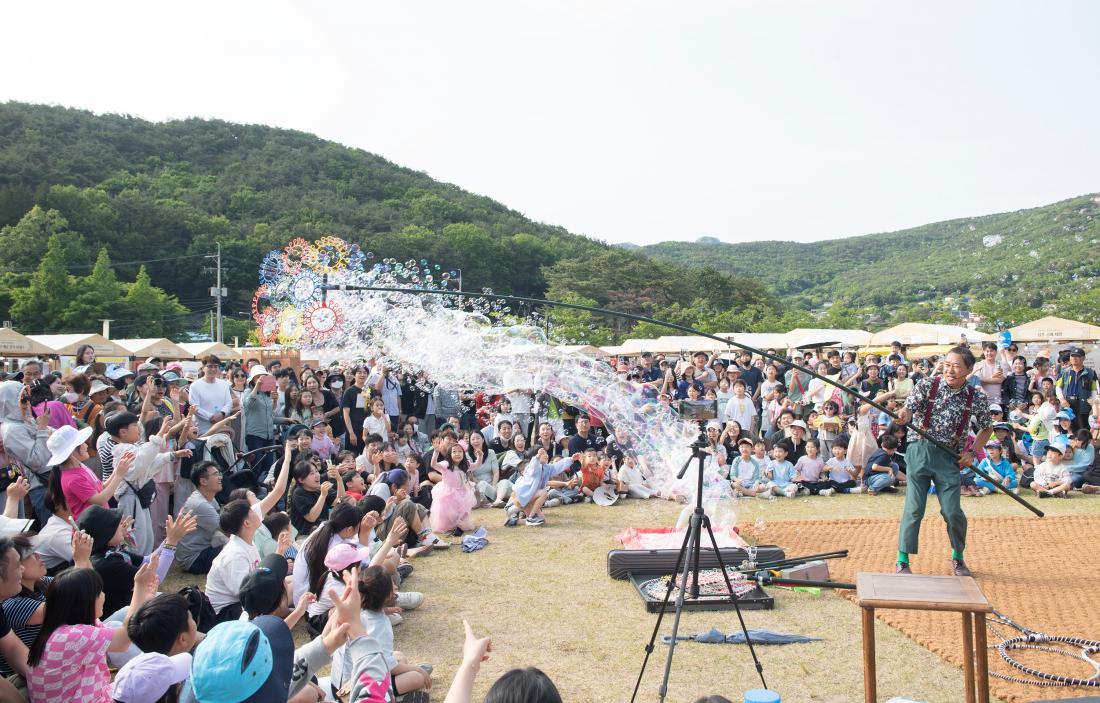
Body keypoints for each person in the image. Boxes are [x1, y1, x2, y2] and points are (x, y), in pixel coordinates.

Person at [894, 346, 992, 577]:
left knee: (952, 511)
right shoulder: (928, 384)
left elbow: (987, 428)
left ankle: (958, 558)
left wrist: (971, 452)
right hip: (919, 450)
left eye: (956, 366)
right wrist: (903, 415)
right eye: (947, 364)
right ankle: (902, 560)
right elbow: (909, 410)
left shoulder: (975, 396)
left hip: (950, 457)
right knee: (915, 508)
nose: (950, 370)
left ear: (968, 369)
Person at [26, 559, 157, 703]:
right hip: (94, 698)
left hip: (95, 694)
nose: (103, 596)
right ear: (83, 601)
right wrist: (139, 587)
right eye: (99, 592)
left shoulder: (62, 627)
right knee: (157, 674)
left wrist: (144, 598)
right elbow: (124, 640)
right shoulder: (71, 636)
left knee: (150, 673)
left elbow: (121, 638)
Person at [77, 504, 194, 615]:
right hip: (122, 616)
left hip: (132, 606)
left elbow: (147, 561)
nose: (121, 525)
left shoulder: (109, 551)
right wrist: (171, 542)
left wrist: (171, 537)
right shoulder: (106, 563)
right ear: (107, 533)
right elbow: (153, 578)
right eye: (116, 524)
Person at [47, 423, 129, 520]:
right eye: (82, 443)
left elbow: (100, 487)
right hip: (92, 527)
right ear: (72, 451)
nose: (86, 445)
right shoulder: (73, 478)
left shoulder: (80, 466)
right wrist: (119, 476)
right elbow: (100, 499)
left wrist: (117, 469)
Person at [0, 380, 53, 526]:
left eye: (28, 398)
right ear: (9, 402)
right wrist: (42, 429)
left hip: (45, 483)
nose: (28, 403)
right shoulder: (11, 430)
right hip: (40, 485)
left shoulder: (26, 421)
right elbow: (38, 461)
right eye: (23, 399)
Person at [204, 499, 262, 622]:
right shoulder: (235, 555)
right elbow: (244, 593)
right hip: (226, 613)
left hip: (240, 604)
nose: (255, 511)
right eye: (251, 510)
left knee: (288, 582)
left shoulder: (246, 542)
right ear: (247, 523)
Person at [174, 461, 228, 574]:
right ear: (203, 481)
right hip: (193, 560)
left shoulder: (207, 498)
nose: (220, 478)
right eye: (215, 474)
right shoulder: (200, 504)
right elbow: (227, 529)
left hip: (200, 551)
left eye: (219, 474)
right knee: (237, 548)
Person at [430, 444, 477, 534]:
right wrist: (436, 452)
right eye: (454, 452)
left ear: (463, 454)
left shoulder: (465, 465)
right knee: (446, 510)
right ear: (449, 454)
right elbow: (433, 464)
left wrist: (479, 456)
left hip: (462, 491)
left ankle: (458, 524)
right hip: (447, 491)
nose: (457, 454)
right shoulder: (446, 465)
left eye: (460, 451)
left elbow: (476, 465)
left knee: (462, 510)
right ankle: (448, 525)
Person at [1056, 346, 1098, 431]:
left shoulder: (1091, 373)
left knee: (1083, 429)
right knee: (1067, 429)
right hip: (1067, 403)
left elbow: (1094, 389)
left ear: (1083, 358)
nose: (1074, 358)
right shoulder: (1064, 372)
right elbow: (1058, 387)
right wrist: (1062, 399)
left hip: (1083, 405)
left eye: (1077, 356)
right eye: (1072, 356)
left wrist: (1092, 401)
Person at [188, 356, 233, 435]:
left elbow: (229, 403)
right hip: (203, 431)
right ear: (203, 368)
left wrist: (222, 414)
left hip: (222, 429)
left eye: (216, 366)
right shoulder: (195, 386)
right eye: (210, 366)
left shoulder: (224, 384)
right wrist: (211, 417)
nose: (213, 369)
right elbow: (195, 407)